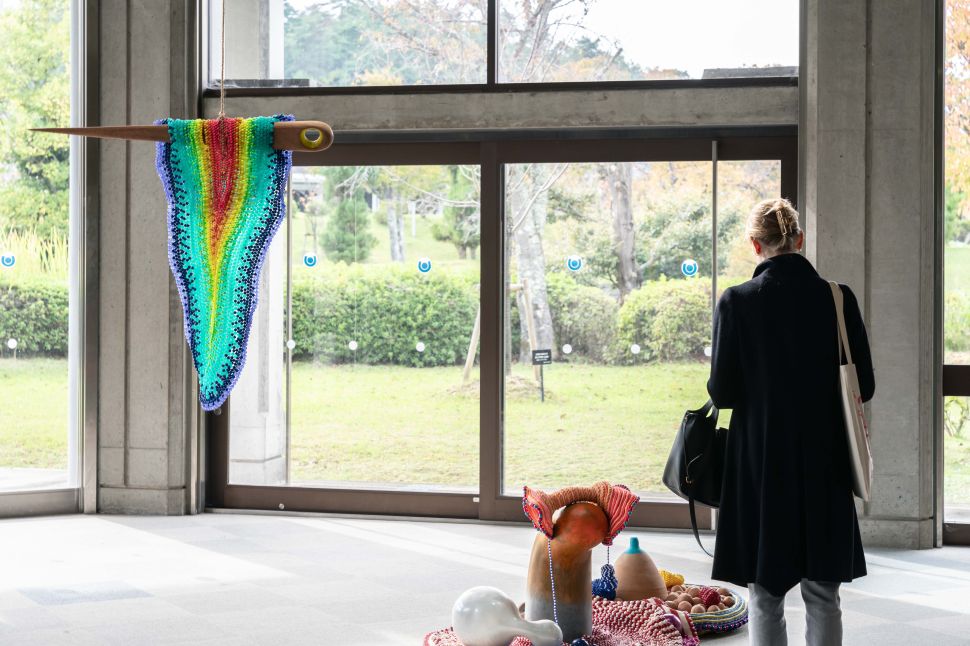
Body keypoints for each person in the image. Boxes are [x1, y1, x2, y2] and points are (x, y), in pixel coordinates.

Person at [707, 198, 875, 646]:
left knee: (765, 595)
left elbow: (722, 394)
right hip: (826, 461)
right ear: (799, 240)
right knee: (823, 592)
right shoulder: (838, 298)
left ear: (755, 244)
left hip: (761, 464)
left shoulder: (736, 302)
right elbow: (867, 386)